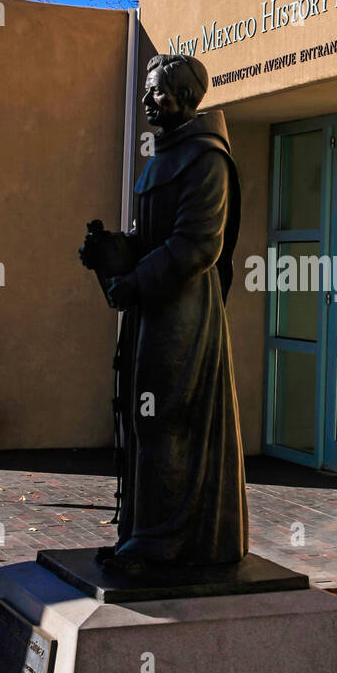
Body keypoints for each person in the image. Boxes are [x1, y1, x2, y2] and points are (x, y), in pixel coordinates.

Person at [80, 53, 248, 577]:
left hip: (183, 316)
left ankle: (164, 542)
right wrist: (111, 251)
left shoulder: (206, 159)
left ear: (186, 96)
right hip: (152, 309)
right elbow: (148, 237)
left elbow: (197, 245)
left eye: (156, 91)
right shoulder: (163, 156)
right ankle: (141, 533)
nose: (149, 99)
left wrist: (131, 282)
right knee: (142, 420)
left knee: (165, 420)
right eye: (148, 90)